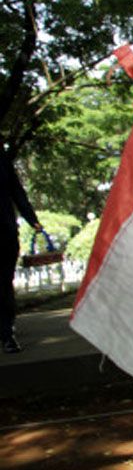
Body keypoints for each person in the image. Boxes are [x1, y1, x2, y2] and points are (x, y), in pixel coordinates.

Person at [1, 148, 42, 354]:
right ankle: (6, 332)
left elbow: (17, 191)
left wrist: (32, 219)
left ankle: (7, 332)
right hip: (6, 230)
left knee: (4, 282)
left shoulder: (3, 161)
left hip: (5, 232)